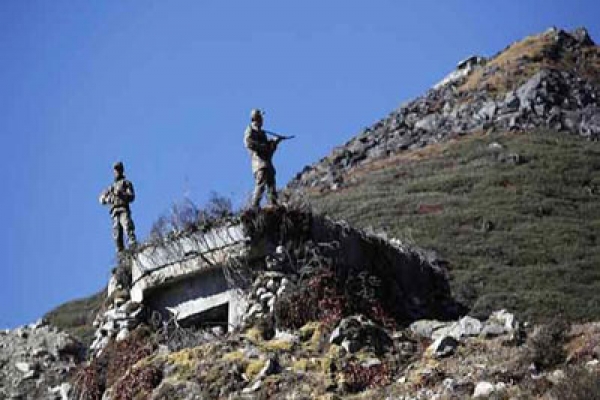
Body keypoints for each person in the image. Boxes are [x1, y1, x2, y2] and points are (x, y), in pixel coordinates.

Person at [244, 109, 281, 208]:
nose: (262, 120)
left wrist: (274, 143)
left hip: (267, 164)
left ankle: (274, 205)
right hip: (259, 164)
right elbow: (249, 143)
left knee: (271, 185)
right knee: (260, 185)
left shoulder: (263, 133)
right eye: (260, 117)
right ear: (256, 118)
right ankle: (254, 207)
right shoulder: (250, 130)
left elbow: (269, 151)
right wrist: (264, 146)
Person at [99, 161, 137, 253]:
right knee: (116, 235)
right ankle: (121, 254)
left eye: (118, 170)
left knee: (127, 227)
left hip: (123, 209)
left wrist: (121, 194)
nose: (116, 172)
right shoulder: (111, 187)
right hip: (114, 212)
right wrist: (107, 199)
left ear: (122, 171)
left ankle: (133, 247)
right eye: (115, 170)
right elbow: (101, 198)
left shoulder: (126, 183)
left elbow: (131, 196)